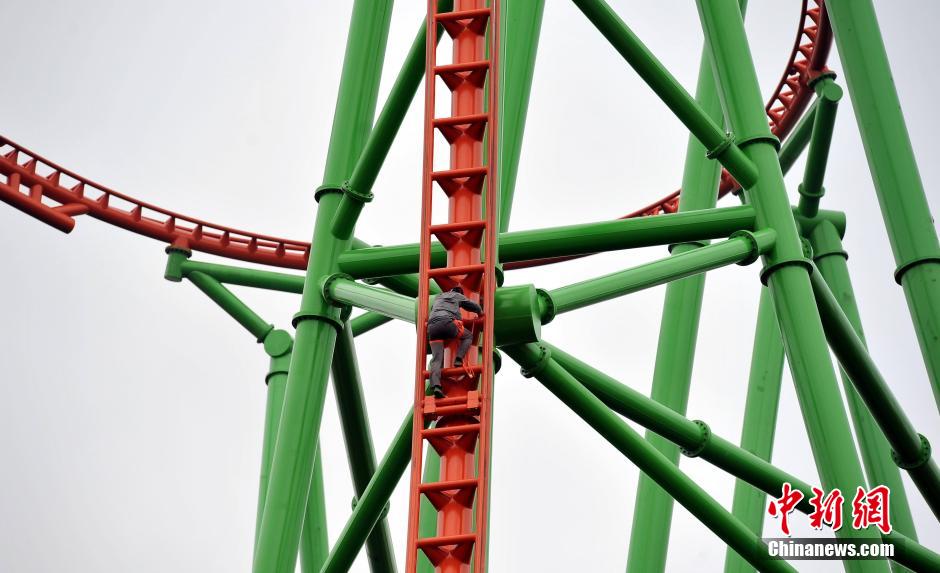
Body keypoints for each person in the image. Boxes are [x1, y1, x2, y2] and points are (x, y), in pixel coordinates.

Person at [427, 286, 483, 398]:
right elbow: (472, 305)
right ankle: (458, 359)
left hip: (432, 327)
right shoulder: (457, 295)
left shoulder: (439, 297)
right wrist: (480, 312)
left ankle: (436, 386)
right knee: (468, 336)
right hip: (447, 323)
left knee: (436, 359)